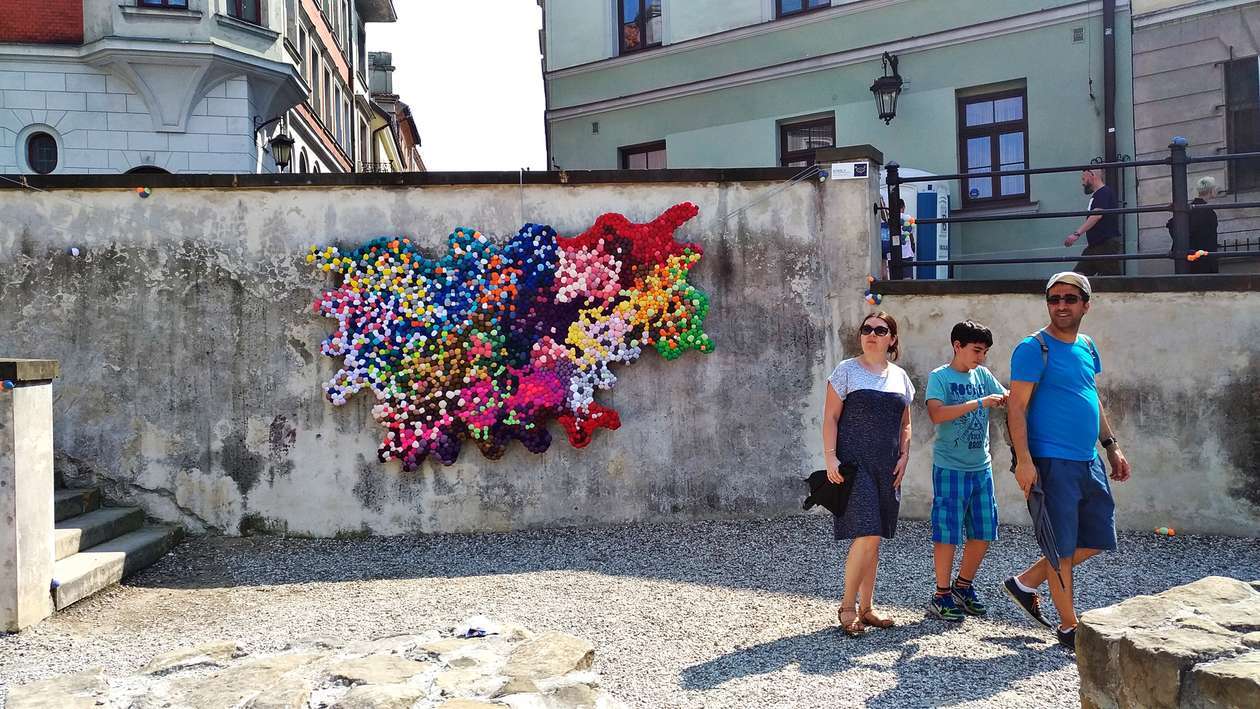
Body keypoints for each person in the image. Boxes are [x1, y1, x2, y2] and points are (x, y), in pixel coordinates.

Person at [1002, 272, 1132, 651]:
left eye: (1070, 299)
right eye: (1054, 298)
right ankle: (1068, 626)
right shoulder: (1033, 348)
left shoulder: (1087, 345)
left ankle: (1026, 582)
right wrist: (1024, 461)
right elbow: (1016, 408)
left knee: (1098, 537)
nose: (1061, 305)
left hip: (1088, 459)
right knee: (1060, 545)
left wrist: (1111, 445)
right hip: (1050, 461)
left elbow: (1091, 396)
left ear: (1085, 305)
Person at [821, 312, 915, 637]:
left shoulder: (900, 377)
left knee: (874, 538)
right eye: (866, 329)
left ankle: (867, 608)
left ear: (892, 338)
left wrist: (905, 455)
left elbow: (905, 423)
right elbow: (831, 418)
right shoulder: (846, 371)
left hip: (887, 467)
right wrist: (830, 458)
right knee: (866, 533)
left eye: (880, 329)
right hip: (855, 465)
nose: (871, 334)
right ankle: (847, 607)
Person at [924, 321, 1008, 622]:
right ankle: (941, 594)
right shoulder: (940, 377)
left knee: (985, 530)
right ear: (957, 346)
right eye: (976, 350)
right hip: (950, 468)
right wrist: (980, 402)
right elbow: (936, 414)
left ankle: (963, 586)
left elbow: (1008, 398)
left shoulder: (983, 375)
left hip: (981, 468)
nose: (981, 357)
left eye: (984, 352)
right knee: (947, 533)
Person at [1064, 170, 1123, 276]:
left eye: (1084, 179)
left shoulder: (1103, 192)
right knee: (1077, 277)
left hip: (1105, 245)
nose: (1082, 183)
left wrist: (1076, 234)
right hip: (1095, 245)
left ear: (1092, 175)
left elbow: (1097, 215)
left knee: (1112, 281)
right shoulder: (1098, 194)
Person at [1166, 175, 1220, 274]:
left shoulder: (1187, 210)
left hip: (1188, 258)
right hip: (1204, 260)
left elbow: (1172, 225)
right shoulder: (1209, 213)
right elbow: (1209, 240)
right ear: (1211, 190)